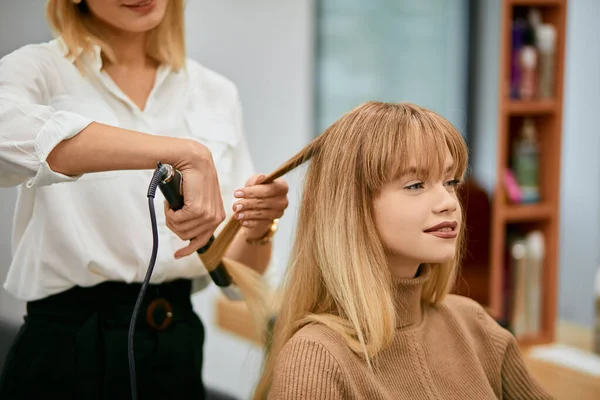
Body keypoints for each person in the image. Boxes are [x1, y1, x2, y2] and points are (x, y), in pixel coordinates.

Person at [0, 0, 288, 399]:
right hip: (68, 352)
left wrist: (259, 227)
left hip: (177, 348)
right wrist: (181, 151)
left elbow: (234, 282)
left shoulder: (215, 93)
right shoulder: (38, 70)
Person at [250, 102, 554, 399]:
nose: (449, 202)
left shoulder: (476, 327)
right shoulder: (316, 359)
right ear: (353, 208)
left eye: (450, 181)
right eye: (415, 185)